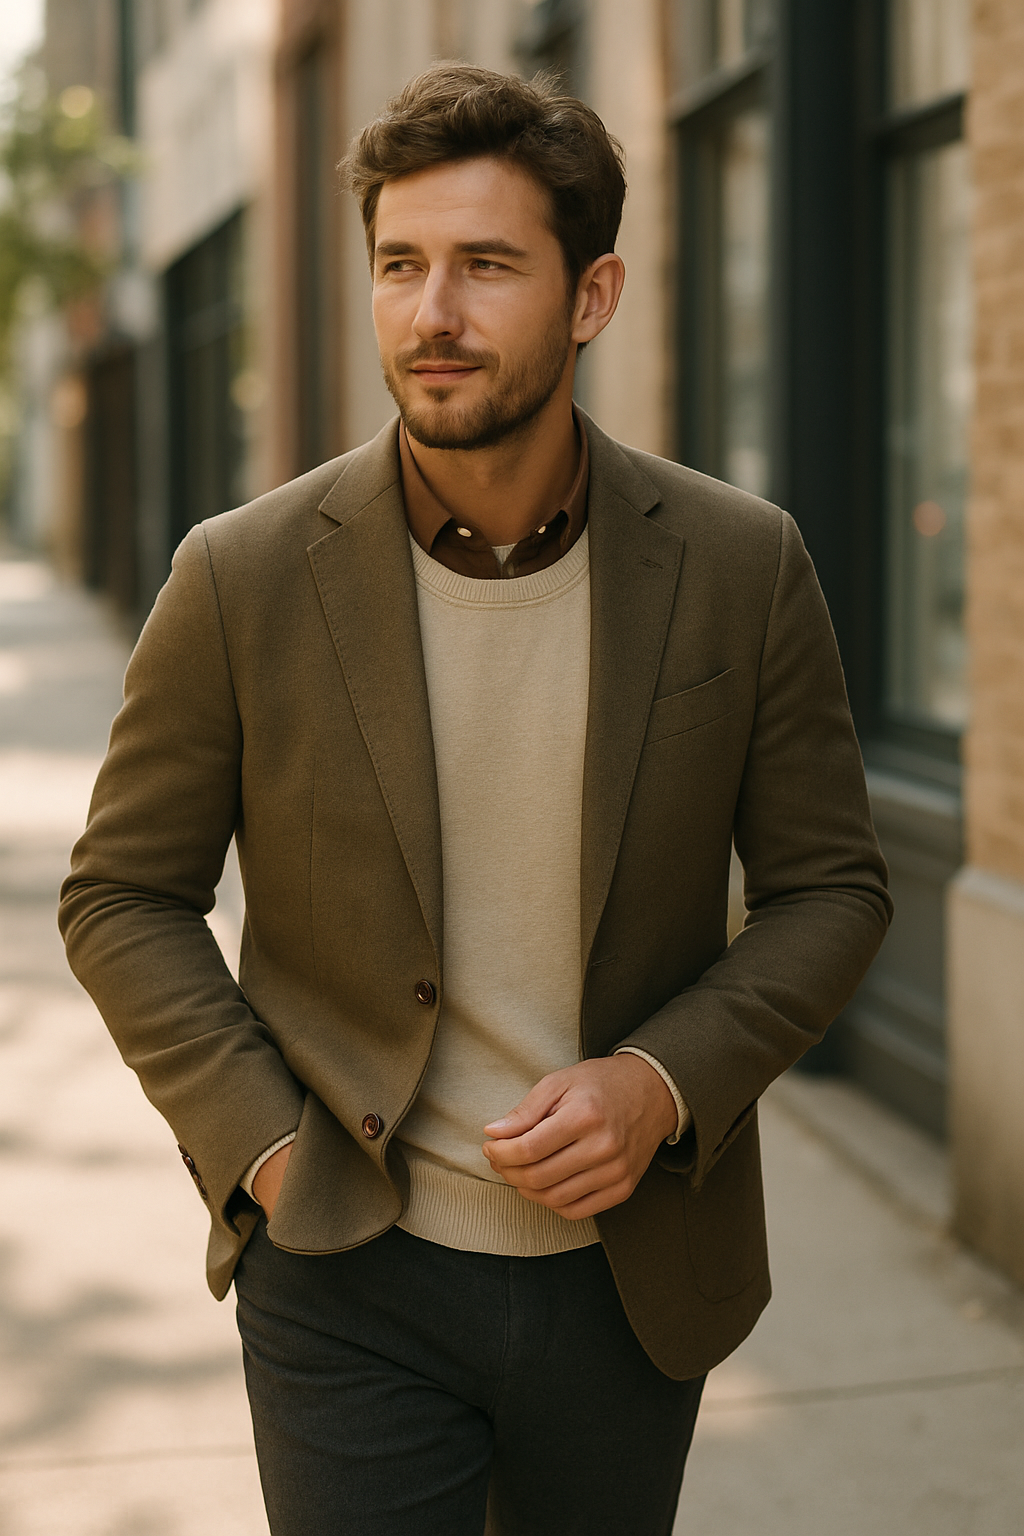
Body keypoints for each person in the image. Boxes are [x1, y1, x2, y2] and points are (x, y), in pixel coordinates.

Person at [60, 64, 891, 1536]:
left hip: (632, 1275)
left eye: (486, 266)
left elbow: (833, 889)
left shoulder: (740, 563)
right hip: (347, 1268)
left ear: (593, 295)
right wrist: (262, 1150)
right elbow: (123, 896)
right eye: (399, 266)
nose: (430, 312)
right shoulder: (239, 578)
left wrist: (661, 1085)